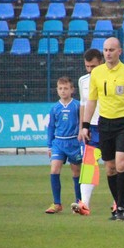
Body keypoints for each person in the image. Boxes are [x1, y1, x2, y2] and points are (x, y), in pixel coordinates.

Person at [79, 38, 124, 221]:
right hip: (105, 124)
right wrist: (85, 125)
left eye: (111, 50)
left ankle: (122, 206)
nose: (108, 53)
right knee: (109, 168)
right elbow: (91, 101)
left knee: (121, 164)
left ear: (120, 51)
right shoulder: (97, 74)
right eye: (105, 50)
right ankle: (117, 204)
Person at [71, 49, 103, 216]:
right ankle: (85, 204)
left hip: (112, 126)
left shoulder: (111, 76)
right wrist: (82, 127)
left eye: (94, 66)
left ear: (102, 63)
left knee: (117, 166)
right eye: (87, 66)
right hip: (93, 128)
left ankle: (118, 202)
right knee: (89, 165)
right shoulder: (83, 80)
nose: (90, 70)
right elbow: (83, 104)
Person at [45, 77, 82, 214]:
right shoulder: (55, 108)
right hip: (58, 143)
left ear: (72, 90)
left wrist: (82, 143)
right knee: (54, 170)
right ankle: (57, 203)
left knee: (76, 172)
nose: (63, 91)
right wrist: (49, 145)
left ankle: (79, 203)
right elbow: (51, 127)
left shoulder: (77, 106)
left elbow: (82, 124)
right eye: (60, 88)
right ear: (57, 90)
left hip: (74, 143)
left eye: (66, 88)